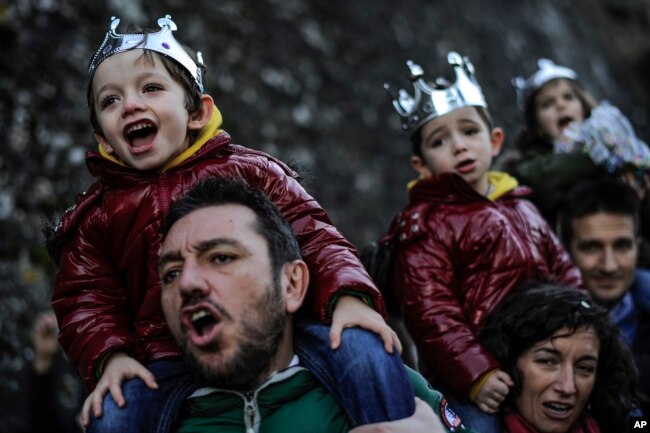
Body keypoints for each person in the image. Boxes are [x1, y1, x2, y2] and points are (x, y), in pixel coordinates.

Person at [45, 15, 414, 433]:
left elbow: (313, 235)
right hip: (160, 358)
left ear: (199, 112)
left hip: (274, 330)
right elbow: (84, 298)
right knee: (112, 415)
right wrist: (112, 358)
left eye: (151, 88)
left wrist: (346, 297)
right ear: (103, 140)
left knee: (365, 349)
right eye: (109, 101)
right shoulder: (98, 217)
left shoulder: (250, 172)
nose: (130, 104)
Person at [156, 176, 476, 433]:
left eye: (222, 257)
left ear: (292, 284)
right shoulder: (141, 416)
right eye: (171, 273)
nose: (187, 283)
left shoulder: (387, 386)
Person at [381, 51, 583, 432]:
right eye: (440, 141)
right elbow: (432, 313)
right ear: (421, 166)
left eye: (470, 132)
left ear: (494, 141)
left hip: (547, 362)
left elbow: (563, 270)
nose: (459, 146)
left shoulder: (522, 204)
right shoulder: (425, 226)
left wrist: (584, 323)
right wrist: (476, 373)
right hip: (476, 379)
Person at [506, 58, 650, 246]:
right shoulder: (529, 164)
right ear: (537, 127)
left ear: (584, 106)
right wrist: (608, 157)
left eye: (568, 97)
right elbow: (546, 178)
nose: (560, 105)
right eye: (547, 104)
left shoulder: (619, 147)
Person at [480, 282, 643, 433]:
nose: (567, 387)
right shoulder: (470, 425)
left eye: (584, 368)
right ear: (508, 364)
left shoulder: (625, 423)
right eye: (547, 361)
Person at [558, 178, 650, 415]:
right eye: (591, 247)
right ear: (566, 251)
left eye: (622, 246)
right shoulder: (536, 329)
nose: (609, 265)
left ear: (638, 247)